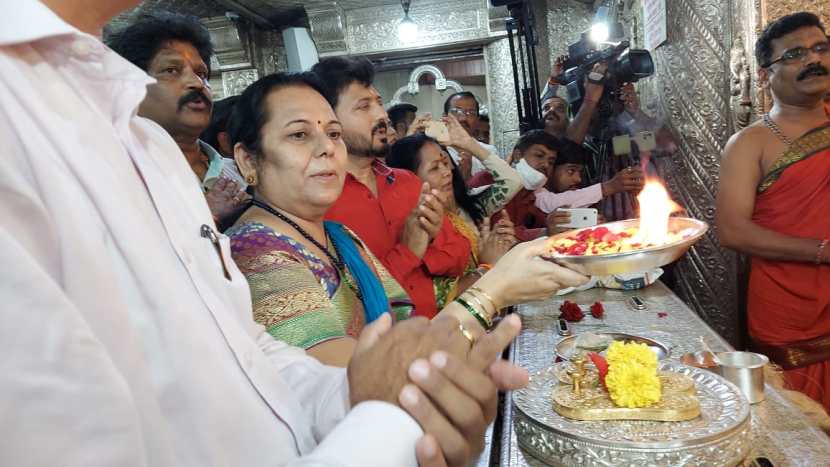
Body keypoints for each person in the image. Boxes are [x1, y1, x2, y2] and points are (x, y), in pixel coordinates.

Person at [1, 1, 590, 465]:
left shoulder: (147, 144)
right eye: (301, 136)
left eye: (332, 134)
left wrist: (372, 393)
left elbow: (245, 361)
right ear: (248, 162)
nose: (328, 151)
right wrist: (410, 397)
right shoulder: (260, 248)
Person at [716, 12, 830, 410]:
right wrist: (821, 250)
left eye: (820, 48)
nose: (813, 59)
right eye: (795, 54)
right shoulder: (750, 143)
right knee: (803, 422)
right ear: (764, 75)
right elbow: (731, 231)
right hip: (789, 306)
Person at [313, 56, 473, 318]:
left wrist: (429, 241)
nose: (381, 115)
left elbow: (459, 255)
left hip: (435, 336)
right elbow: (349, 307)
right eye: (364, 107)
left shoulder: (407, 182)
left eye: (379, 103)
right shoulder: (322, 203)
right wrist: (409, 252)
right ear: (329, 120)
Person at [108, 11, 248, 224]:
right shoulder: (118, 171)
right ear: (130, 87)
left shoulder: (239, 171)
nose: (197, 83)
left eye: (201, 73)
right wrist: (208, 215)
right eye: (172, 70)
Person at [387, 120, 522, 309]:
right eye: (435, 168)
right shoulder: (418, 228)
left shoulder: (469, 206)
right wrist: (486, 266)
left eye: (445, 162)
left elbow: (512, 181)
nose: (446, 172)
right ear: (409, 178)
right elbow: (440, 297)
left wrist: (468, 144)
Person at [469, 130, 560, 241]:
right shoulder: (487, 179)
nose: (546, 165)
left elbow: (541, 223)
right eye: (539, 156)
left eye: (551, 162)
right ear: (518, 155)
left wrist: (555, 222)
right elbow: (497, 234)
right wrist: (544, 232)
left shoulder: (533, 194)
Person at [534, 138, 644, 216]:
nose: (578, 179)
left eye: (580, 172)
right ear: (551, 168)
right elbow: (551, 203)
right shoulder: (534, 192)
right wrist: (608, 187)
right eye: (571, 171)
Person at [443, 91, 499, 180]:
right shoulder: (437, 151)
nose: (463, 118)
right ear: (445, 117)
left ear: (477, 120)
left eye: (471, 113)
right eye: (456, 111)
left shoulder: (489, 151)